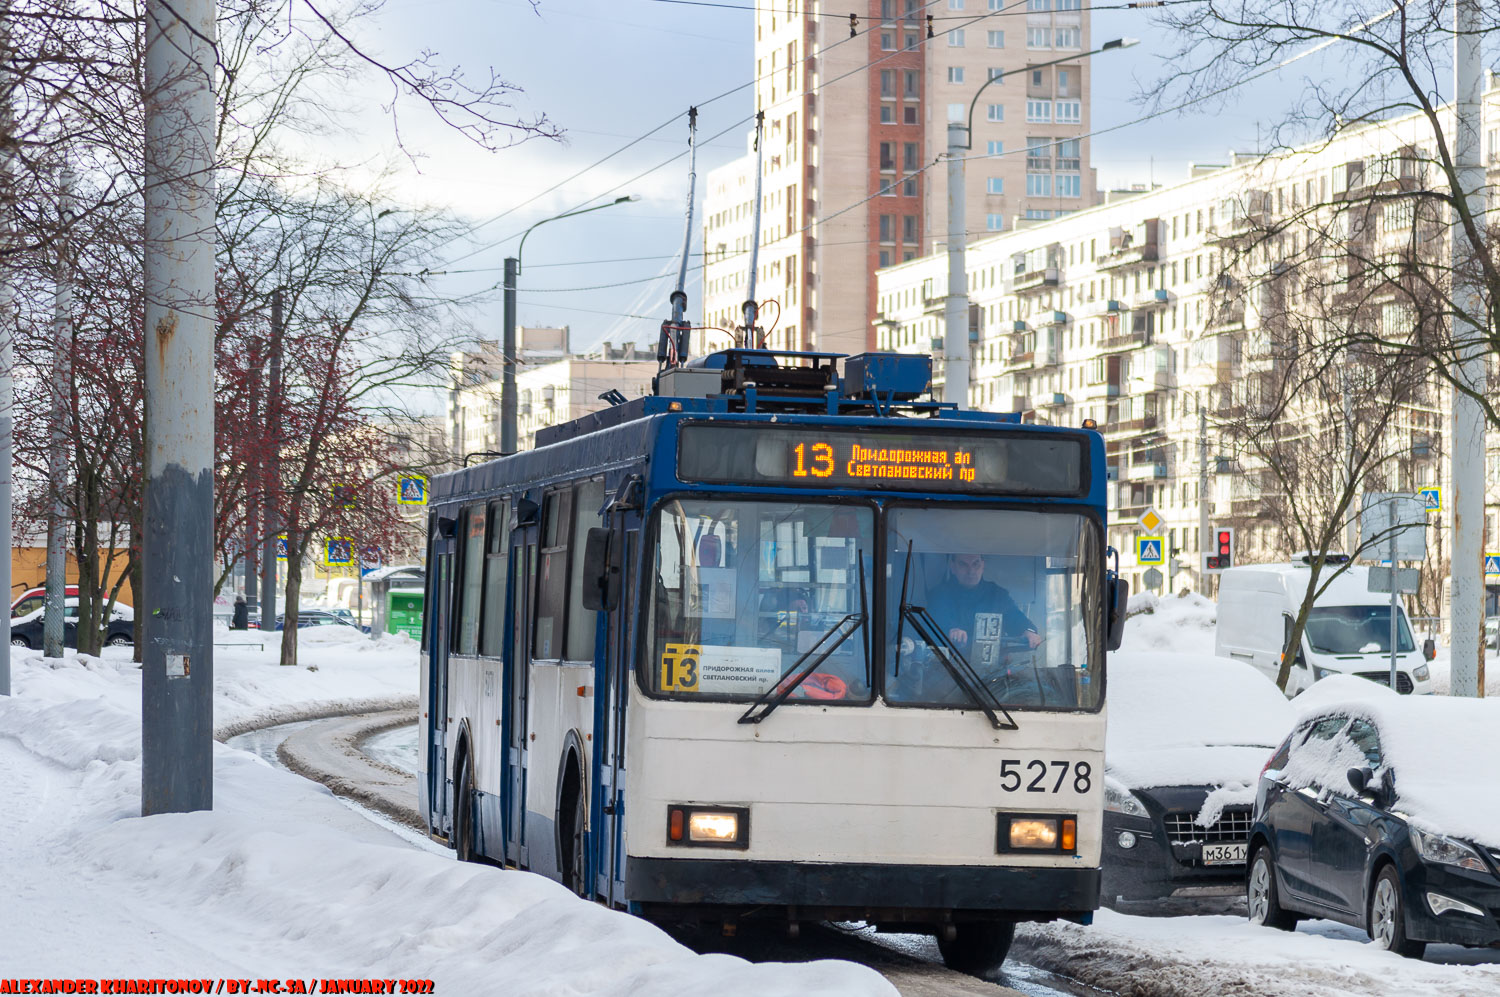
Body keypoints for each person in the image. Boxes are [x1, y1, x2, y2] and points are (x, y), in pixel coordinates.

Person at [927, 553, 1041, 653]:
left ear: (983, 565)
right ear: (952, 567)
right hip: (950, 666)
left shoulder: (997, 595)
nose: (971, 571)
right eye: (963, 564)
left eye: (975, 564)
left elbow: (1015, 618)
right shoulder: (939, 596)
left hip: (993, 668)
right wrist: (950, 631)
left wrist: (1028, 631)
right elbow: (935, 625)